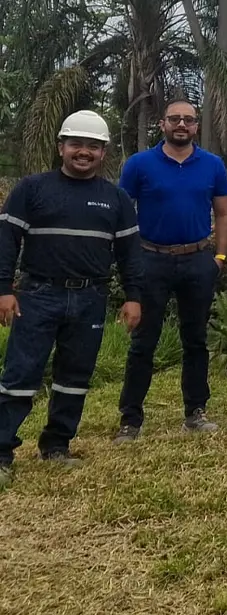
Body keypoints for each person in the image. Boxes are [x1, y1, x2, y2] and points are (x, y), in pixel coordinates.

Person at [0, 111, 143, 487]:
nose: (84, 152)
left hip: (90, 297)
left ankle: (57, 444)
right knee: (20, 375)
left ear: (103, 152)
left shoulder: (116, 198)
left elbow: (130, 255)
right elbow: (6, 243)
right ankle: (2, 451)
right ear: (61, 147)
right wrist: (3, 289)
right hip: (37, 294)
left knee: (74, 377)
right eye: (76, 144)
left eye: (92, 146)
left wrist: (133, 297)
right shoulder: (31, 189)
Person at [114, 100, 227, 443]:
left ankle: (196, 411)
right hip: (151, 259)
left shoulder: (212, 165)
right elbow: (123, 215)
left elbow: (224, 213)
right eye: (175, 118)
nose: (182, 124)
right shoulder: (139, 164)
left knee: (195, 340)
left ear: (196, 126)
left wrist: (220, 257)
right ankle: (130, 420)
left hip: (198, 259)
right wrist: (131, 260)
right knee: (143, 342)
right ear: (162, 123)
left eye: (189, 119)